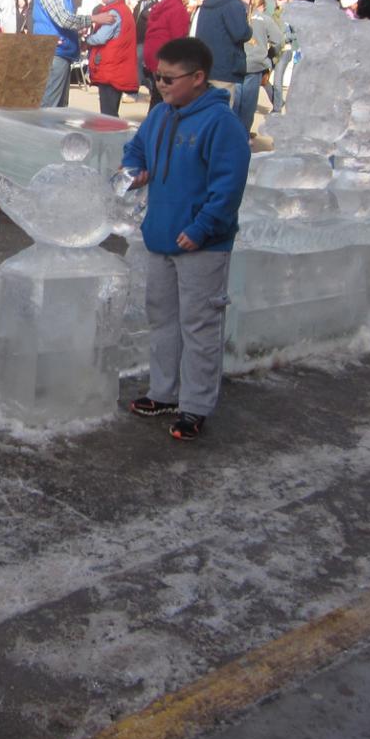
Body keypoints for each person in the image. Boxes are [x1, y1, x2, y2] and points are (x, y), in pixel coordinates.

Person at [119, 36, 251, 441]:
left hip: (202, 244)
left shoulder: (221, 124)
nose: (161, 85)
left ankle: (195, 405)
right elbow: (135, 148)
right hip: (159, 235)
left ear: (198, 78)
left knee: (199, 326)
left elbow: (228, 188)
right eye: (157, 77)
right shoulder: (160, 114)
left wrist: (200, 229)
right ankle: (163, 392)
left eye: (169, 79)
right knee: (162, 320)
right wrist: (135, 167)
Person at [31, 0, 107, 108]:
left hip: (60, 50)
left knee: (59, 105)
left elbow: (61, 21)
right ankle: (45, 131)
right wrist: (93, 18)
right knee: (51, 104)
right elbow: (64, 19)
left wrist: (76, 32)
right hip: (54, 52)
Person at [196, 0, 254, 130]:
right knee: (219, 114)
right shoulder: (233, 4)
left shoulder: (209, 2)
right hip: (224, 67)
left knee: (203, 110)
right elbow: (240, 33)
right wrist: (249, 29)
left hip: (205, 64)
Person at [85, 0, 137, 116]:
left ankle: (110, 137)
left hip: (111, 69)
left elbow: (101, 38)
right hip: (115, 67)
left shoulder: (115, 12)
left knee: (108, 114)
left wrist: (86, 40)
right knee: (110, 111)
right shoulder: (123, 10)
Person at [140, 0, 193, 109]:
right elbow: (178, 39)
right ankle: (158, 126)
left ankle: (152, 123)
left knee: (157, 95)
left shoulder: (161, 6)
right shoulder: (178, 9)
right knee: (166, 98)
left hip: (153, 55)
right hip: (166, 58)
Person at [244, 0, 282, 129]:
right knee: (248, 104)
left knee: (235, 102)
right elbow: (278, 40)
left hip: (238, 62)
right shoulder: (265, 19)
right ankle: (244, 133)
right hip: (256, 64)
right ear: (261, 6)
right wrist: (270, 55)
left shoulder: (241, 16)